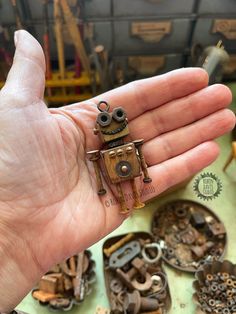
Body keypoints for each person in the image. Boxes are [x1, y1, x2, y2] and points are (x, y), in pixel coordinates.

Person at [0, 30, 235, 313]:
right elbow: (101, 165)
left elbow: (137, 156)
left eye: (115, 120)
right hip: (114, 163)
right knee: (124, 191)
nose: (113, 123)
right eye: (107, 122)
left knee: (133, 186)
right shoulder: (103, 147)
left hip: (124, 162)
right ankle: (130, 200)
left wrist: (144, 172)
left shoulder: (126, 142)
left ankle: (133, 199)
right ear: (100, 128)